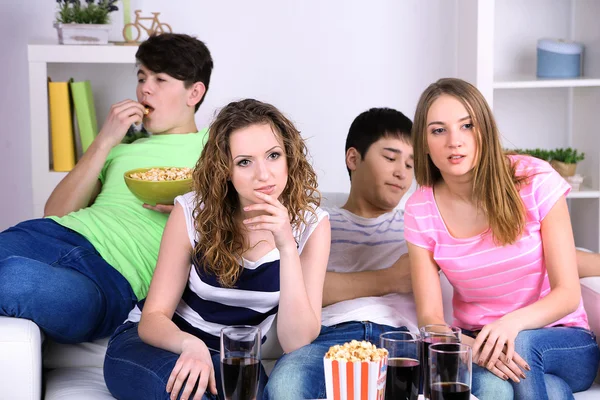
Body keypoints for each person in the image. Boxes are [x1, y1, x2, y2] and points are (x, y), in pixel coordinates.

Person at [103, 99, 331, 400]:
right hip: (159, 344)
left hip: (232, 358)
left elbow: (295, 341)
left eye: (273, 156)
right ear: (226, 170)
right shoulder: (191, 212)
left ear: (289, 158)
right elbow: (154, 317)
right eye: (245, 162)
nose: (264, 175)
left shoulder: (312, 225)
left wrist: (286, 245)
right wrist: (189, 345)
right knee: (188, 392)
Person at [0, 33, 213, 344]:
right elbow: (55, 212)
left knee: (12, 278)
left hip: (111, 279)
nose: (145, 88)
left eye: (160, 79)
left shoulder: (216, 147)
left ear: (194, 92)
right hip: (52, 236)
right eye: (142, 77)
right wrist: (104, 140)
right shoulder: (120, 147)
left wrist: (193, 210)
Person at [404, 77, 600, 400]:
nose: (455, 141)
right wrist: (479, 347)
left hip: (564, 341)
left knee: (522, 342)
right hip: (480, 344)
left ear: (484, 128)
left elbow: (567, 293)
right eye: (439, 130)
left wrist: (510, 326)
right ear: (423, 143)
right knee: (508, 390)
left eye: (467, 125)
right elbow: (431, 320)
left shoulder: (535, 180)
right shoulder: (420, 210)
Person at [264, 107, 417, 399]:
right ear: (353, 158)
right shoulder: (316, 221)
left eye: (411, 165)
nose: (402, 172)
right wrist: (391, 279)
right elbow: (299, 290)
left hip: (402, 341)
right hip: (327, 337)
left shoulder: (416, 223)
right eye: (390, 157)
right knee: (286, 385)